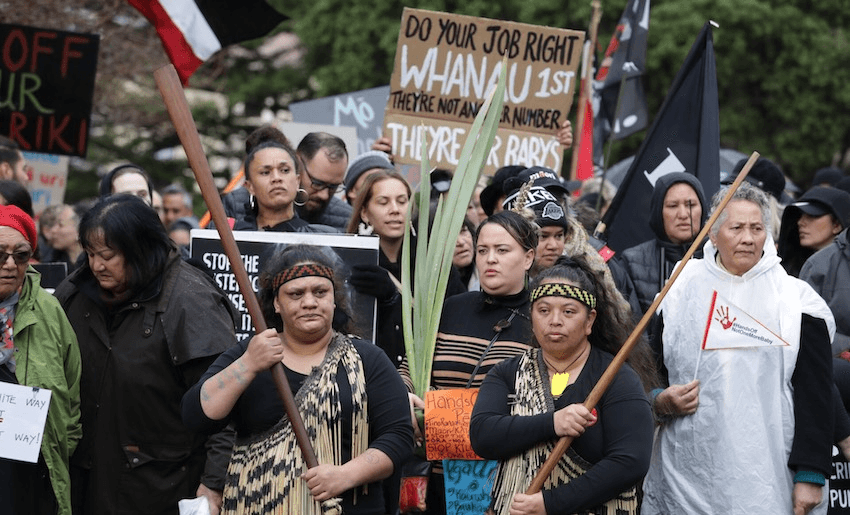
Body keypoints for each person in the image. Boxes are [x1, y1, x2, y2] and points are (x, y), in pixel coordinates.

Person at [642, 182, 835, 515]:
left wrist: (811, 472)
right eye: (737, 228)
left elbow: (816, 392)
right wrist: (659, 398)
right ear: (714, 235)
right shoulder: (681, 286)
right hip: (689, 470)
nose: (748, 238)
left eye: (757, 228)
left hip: (767, 475)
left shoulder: (795, 301)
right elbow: (652, 364)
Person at [181, 244, 413, 514]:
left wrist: (345, 475)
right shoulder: (250, 354)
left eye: (320, 292)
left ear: (334, 299)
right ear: (277, 303)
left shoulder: (366, 359)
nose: (310, 302)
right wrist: (248, 364)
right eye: (296, 294)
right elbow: (196, 416)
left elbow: (398, 437)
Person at [54, 194, 238, 514]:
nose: (97, 265)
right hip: (83, 482)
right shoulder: (76, 290)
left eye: (108, 255)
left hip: (161, 489)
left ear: (140, 249)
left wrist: (214, 482)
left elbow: (226, 401)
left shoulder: (191, 300)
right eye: (90, 254)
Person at [470, 255, 656, 515]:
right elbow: (483, 435)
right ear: (531, 317)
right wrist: (552, 423)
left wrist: (550, 503)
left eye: (568, 312)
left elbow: (630, 461)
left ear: (589, 320)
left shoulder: (616, 378)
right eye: (543, 310)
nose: (554, 320)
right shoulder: (507, 373)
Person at [401, 210, 539, 513]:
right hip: (431, 476)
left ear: (528, 257)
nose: (490, 259)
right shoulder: (449, 308)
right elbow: (411, 363)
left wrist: (438, 416)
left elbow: (534, 405)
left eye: (502, 250)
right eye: (483, 250)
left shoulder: (541, 323)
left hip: (502, 480)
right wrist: (404, 393)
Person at [0, 205, 81, 515]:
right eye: (0, 254)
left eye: (20, 255)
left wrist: (62, 443)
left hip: (33, 472)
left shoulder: (49, 310)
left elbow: (73, 387)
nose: (9, 264)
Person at [616, 172, 708, 351]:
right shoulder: (632, 262)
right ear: (659, 211)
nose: (683, 214)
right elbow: (630, 328)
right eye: (672, 206)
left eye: (691, 205)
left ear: (702, 209)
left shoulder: (718, 257)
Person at [233, 140, 334, 233]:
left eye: (285, 170)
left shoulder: (320, 238)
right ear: (250, 186)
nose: (276, 178)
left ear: (297, 181)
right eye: (265, 172)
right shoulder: (231, 235)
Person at [778, 186, 850, 277]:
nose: (800, 222)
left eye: (812, 215)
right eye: (799, 215)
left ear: (837, 225)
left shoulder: (844, 273)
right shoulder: (783, 269)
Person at [295, 132, 352, 230]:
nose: (324, 195)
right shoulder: (265, 209)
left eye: (333, 187)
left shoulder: (349, 221)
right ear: (296, 164)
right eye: (317, 183)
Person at [43, 204, 84, 272]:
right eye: (54, 225)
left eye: (60, 225)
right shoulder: (50, 261)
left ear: (78, 229)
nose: (53, 230)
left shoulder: (93, 263)